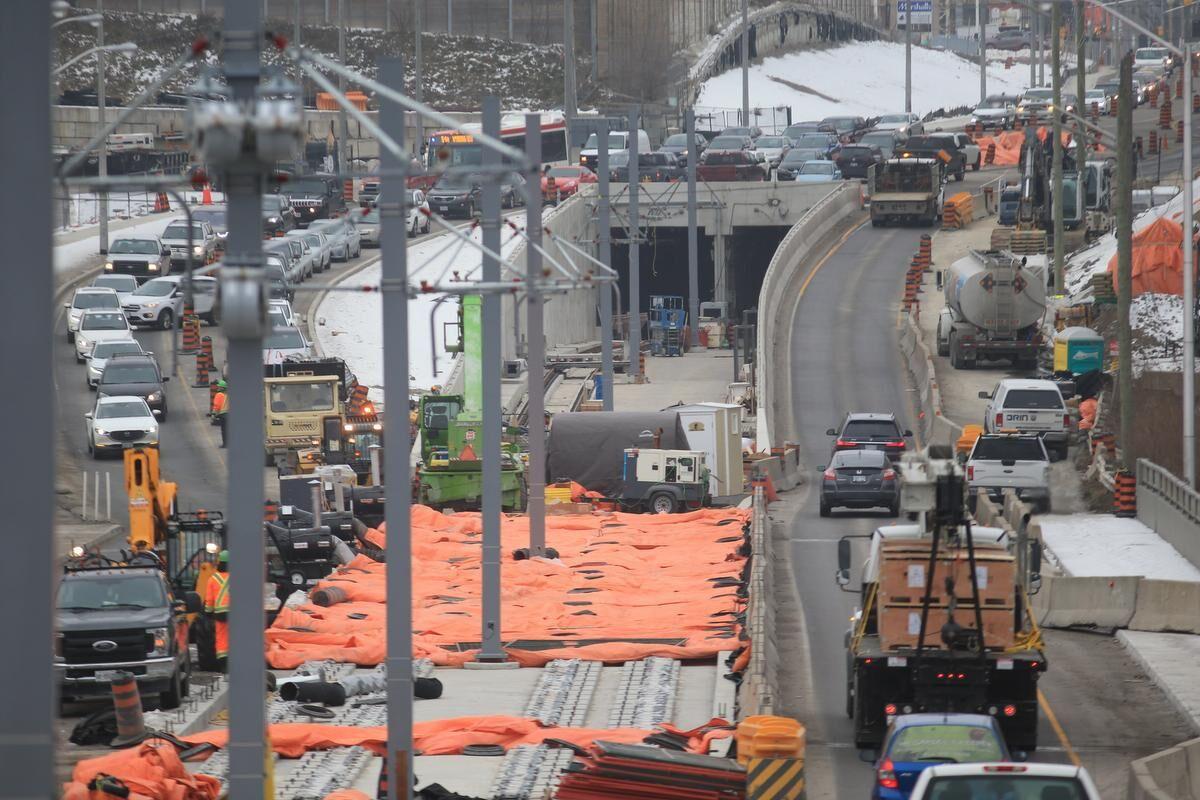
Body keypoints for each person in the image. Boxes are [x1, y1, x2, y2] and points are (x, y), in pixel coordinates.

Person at [203, 550, 230, 673]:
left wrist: (208, 613)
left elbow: (209, 600)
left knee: (222, 638)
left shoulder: (212, 579)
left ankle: (224, 666)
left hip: (220, 614)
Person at [212, 380, 228, 447]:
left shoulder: (219, 395)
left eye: (219, 387)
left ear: (222, 388)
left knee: (224, 430)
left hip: (223, 414)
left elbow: (217, 406)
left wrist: (214, 415)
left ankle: (225, 444)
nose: (217, 388)